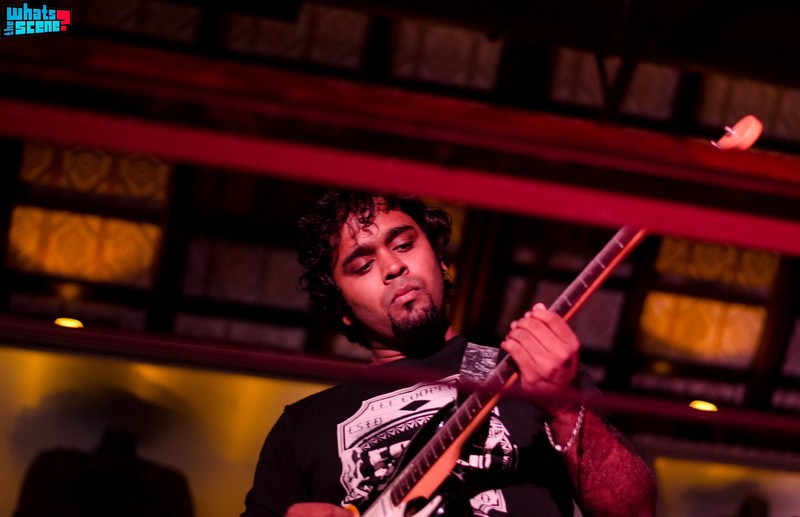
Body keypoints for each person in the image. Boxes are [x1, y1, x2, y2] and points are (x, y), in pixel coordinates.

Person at [241, 191, 657, 517]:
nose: (393, 267)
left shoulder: (537, 370)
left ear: (440, 259)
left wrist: (563, 407)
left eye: (404, 244)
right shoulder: (301, 429)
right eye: (363, 266)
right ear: (342, 310)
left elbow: (634, 512)